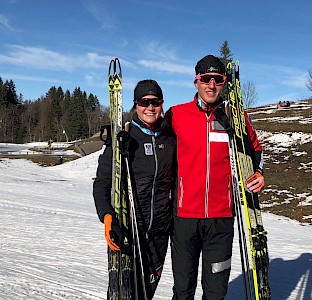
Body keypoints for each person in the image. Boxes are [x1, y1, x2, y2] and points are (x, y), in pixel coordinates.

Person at [165, 55, 265, 299]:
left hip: (221, 219)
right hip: (184, 218)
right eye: (206, 79)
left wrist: (259, 173)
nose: (211, 85)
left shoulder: (235, 117)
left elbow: (255, 149)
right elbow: (153, 143)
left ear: (224, 83)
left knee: (216, 290)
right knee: (183, 289)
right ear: (196, 82)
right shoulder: (176, 115)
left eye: (217, 80)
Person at [93, 79, 176, 299]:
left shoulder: (170, 138)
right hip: (128, 231)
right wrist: (107, 217)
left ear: (162, 104)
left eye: (155, 102)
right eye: (144, 102)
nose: (150, 107)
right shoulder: (124, 137)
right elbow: (102, 183)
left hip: (159, 233)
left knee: (147, 292)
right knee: (123, 293)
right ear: (135, 105)